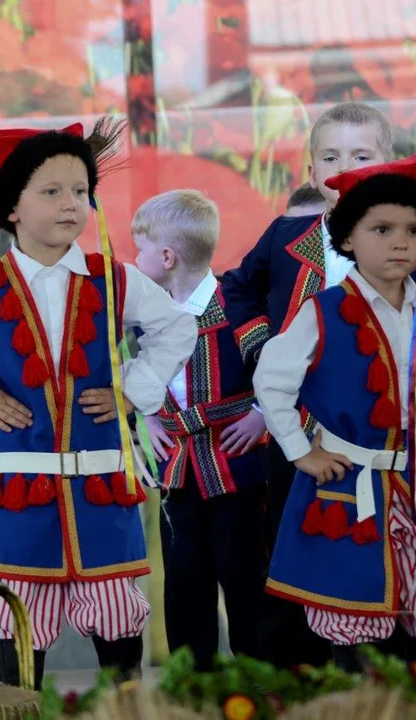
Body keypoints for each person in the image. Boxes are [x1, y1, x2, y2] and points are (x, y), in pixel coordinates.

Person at [0, 121, 197, 687]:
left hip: (101, 492)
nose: (71, 204)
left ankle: (124, 707)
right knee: (21, 631)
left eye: (81, 192)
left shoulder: (113, 278)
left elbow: (176, 329)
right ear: (12, 208)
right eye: (52, 191)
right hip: (20, 494)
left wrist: (130, 390)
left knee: (117, 629)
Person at [255, 148, 416, 672]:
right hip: (350, 486)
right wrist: (301, 452)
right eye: (381, 229)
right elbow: (271, 382)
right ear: (347, 239)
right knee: (356, 620)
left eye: (413, 229)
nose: (400, 241)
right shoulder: (324, 311)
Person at [220, 101, 394, 666]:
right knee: (291, 542)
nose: (345, 168)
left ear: (389, 164)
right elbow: (237, 289)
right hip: (296, 429)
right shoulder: (287, 236)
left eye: (362, 156)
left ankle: (386, 673)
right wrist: (263, 347)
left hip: (380, 432)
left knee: (380, 539)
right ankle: (292, 675)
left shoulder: (411, 244)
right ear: (312, 171)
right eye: (331, 156)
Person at [133, 190, 268, 671]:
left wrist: (262, 414)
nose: (134, 260)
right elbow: (136, 376)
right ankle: (194, 685)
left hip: (238, 467)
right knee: (185, 581)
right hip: (177, 471)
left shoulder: (238, 304)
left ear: (167, 257)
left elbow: (278, 369)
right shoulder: (147, 314)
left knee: (245, 577)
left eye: (139, 249)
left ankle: (260, 684)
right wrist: (146, 418)